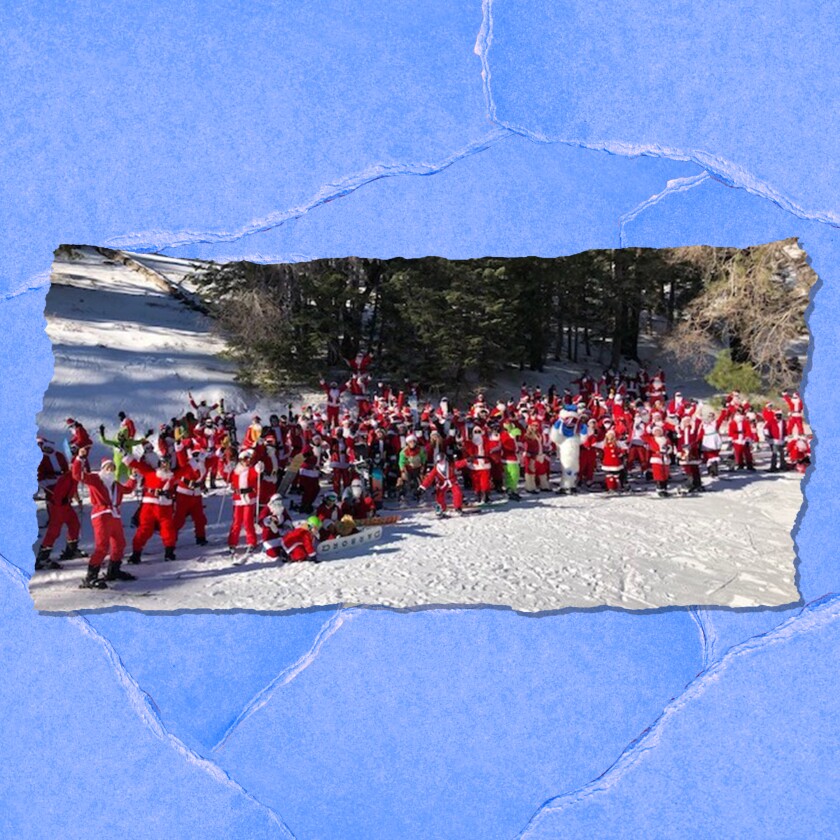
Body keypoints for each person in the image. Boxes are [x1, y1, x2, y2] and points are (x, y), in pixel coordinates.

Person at [71, 454, 136, 587]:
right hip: (101, 516)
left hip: (115, 516)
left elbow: (128, 489)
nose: (110, 470)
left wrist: (133, 477)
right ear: (102, 469)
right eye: (107, 467)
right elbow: (77, 475)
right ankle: (91, 576)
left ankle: (114, 570)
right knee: (102, 546)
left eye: (112, 468)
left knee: (120, 544)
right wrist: (79, 459)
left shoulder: (115, 484)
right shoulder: (95, 479)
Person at [125, 453, 179, 563]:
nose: (165, 466)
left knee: (168, 529)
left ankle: (169, 552)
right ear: (159, 464)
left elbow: (187, 468)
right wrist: (126, 454)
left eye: (167, 464)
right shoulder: (150, 472)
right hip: (149, 506)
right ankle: (136, 553)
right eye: (163, 463)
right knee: (144, 529)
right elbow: (135, 464)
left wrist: (171, 495)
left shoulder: (172, 477)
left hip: (165, 507)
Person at [225, 449, 265, 556]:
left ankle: (252, 542)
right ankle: (232, 542)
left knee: (248, 521)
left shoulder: (251, 470)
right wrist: (227, 476)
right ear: (241, 460)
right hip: (238, 499)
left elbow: (257, 473)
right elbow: (229, 480)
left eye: (249, 459)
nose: (248, 461)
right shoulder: (236, 471)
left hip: (248, 499)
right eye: (246, 459)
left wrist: (259, 467)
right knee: (236, 522)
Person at [258, 493, 294, 560]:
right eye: (277, 501)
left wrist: (287, 524)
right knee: (273, 553)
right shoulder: (267, 509)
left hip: (282, 533)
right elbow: (261, 521)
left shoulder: (282, 509)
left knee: (289, 545)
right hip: (270, 534)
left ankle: (284, 551)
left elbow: (287, 518)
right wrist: (269, 520)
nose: (279, 503)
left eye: (280, 501)